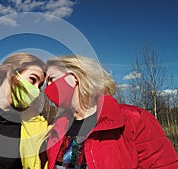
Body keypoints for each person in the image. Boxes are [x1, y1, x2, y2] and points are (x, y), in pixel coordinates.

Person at [41, 55, 178, 169]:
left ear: (74, 77)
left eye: (52, 79)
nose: (48, 89)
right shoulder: (57, 129)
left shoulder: (133, 120)